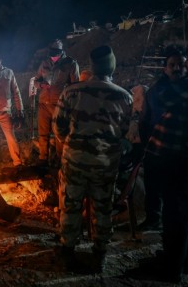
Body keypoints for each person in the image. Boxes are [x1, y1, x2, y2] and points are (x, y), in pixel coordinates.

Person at [52, 45, 132, 273]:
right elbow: (124, 131)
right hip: (105, 165)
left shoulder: (71, 92)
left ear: (92, 66)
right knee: (103, 209)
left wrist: (74, 144)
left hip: (75, 161)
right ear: (112, 66)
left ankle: (67, 250)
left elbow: (58, 129)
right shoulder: (124, 97)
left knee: (70, 205)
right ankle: (100, 254)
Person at [141, 41, 188, 283]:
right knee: (186, 212)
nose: (183, 65)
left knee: (176, 214)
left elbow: (163, 96)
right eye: (174, 64)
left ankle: (171, 269)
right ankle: (182, 261)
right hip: (180, 157)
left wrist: (163, 82)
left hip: (180, 158)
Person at [138, 47, 185, 231]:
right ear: (165, 69)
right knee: (153, 187)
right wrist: (146, 145)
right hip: (156, 149)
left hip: (182, 152)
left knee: (177, 193)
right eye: (172, 65)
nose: (176, 68)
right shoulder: (155, 92)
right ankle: (153, 218)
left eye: (180, 65)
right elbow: (144, 120)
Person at [34, 39, 79, 166]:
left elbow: (75, 86)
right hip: (43, 104)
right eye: (51, 53)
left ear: (61, 52)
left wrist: (69, 103)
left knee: (59, 133)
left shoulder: (71, 64)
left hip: (59, 105)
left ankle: (60, 160)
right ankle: (43, 159)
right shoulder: (44, 63)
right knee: (43, 133)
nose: (52, 56)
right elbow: (36, 81)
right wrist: (41, 85)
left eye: (55, 53)